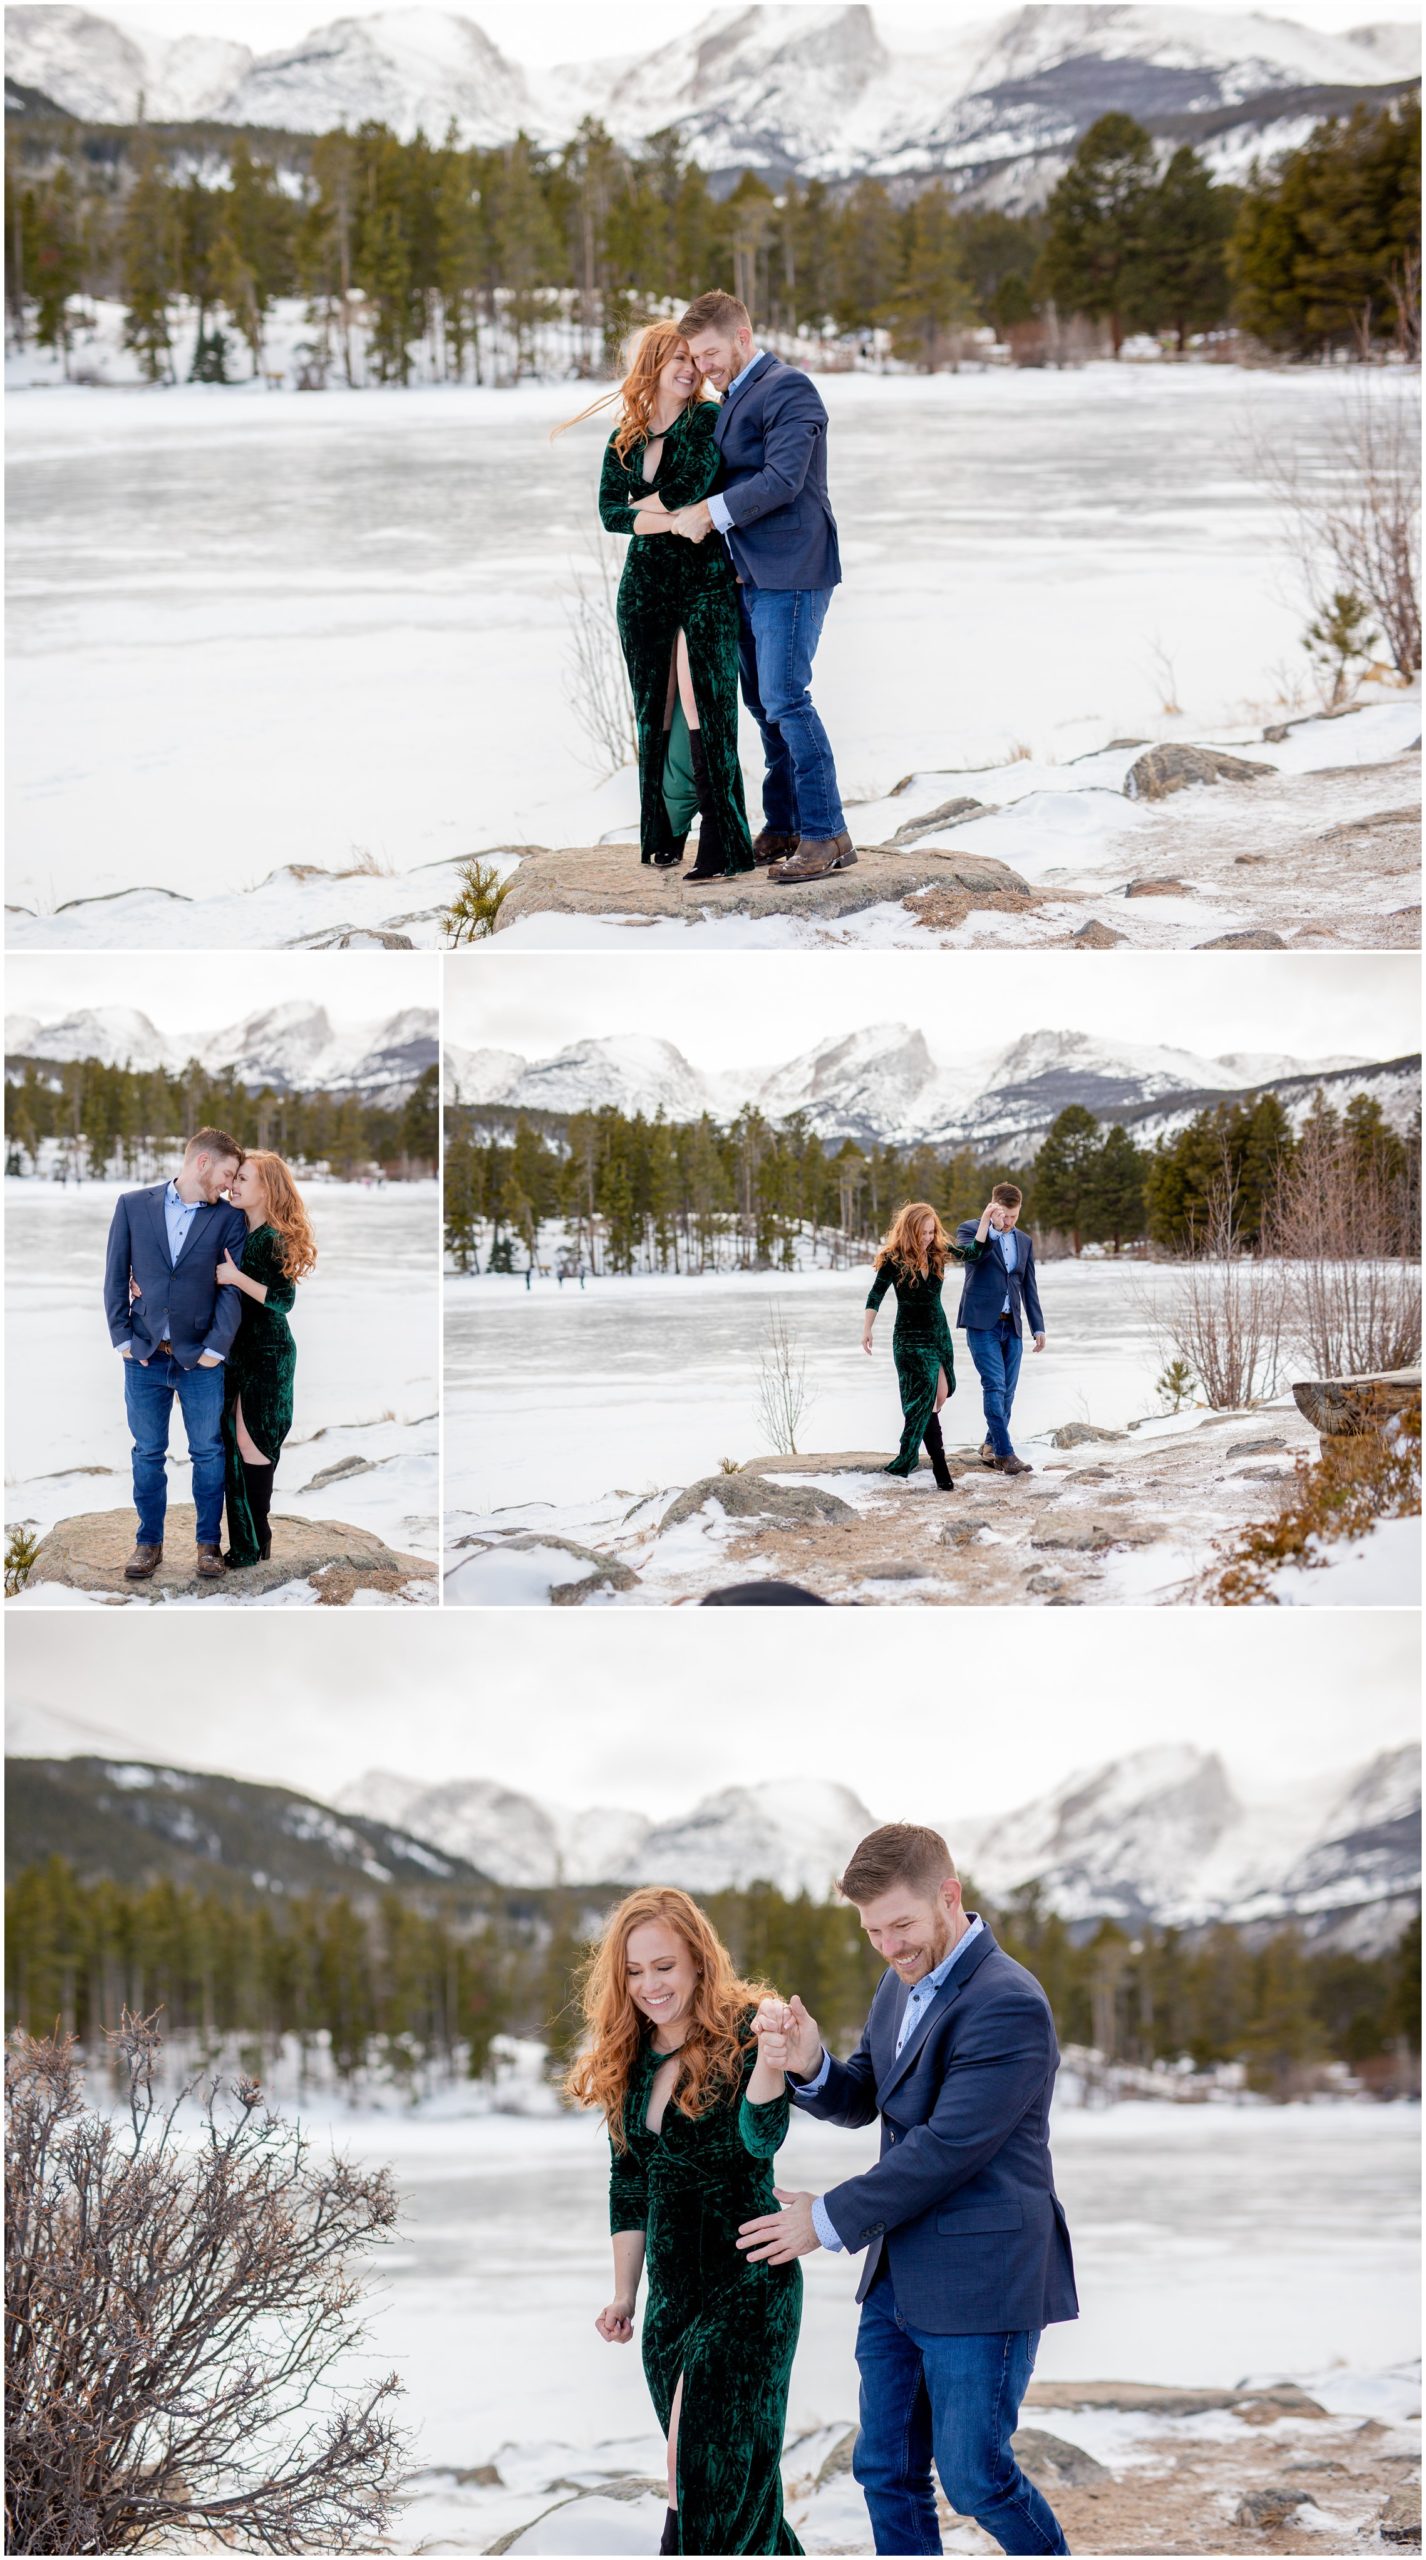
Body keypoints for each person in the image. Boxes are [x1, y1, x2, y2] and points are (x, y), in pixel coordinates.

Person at [737, 1824, 1077, 2559]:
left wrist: (823, 2220)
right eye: (873, 1931)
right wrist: (812, 2063)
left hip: (983, 2280)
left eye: (901, 1925)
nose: (889, 1946)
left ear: (948, 1897)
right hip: (897, 2275)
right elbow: (871, 2096)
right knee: (885, 2469)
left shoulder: (1008, 2002)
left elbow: (946, 2148)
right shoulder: (901, 1983)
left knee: (976, 2477)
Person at [566, 1887, 804, 2555]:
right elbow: (630, 2181)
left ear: (700, 1961)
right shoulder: (630, 2061)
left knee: (705, 2486)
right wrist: (624, 2294)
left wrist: (774, 2063)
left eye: (664, 1967)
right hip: (672, 2308)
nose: (650, 1986)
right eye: (635, 1972)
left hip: (748, 2288)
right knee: (736, 2492)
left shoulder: (749, 2030)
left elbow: (761, 2138)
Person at [669, 292, 853, 884]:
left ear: (742, 338)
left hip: (793, 569)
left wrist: (710, 512)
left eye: (711, 353)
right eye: (695, 358)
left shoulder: (789, 387)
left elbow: (782, 479)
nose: (704, 367)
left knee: (787, 699)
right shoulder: (731, 397)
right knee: (762, 705)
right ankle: (784, 824)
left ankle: (827, 836)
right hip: (747, 574)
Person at [559, 322, 753, 881]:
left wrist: (648, 509)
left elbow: (695, 485)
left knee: (706, 705)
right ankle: (664, 837)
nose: (691, 370)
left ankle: (723, 841)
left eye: (695, 359)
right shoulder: (626, 435)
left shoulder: (709, 421)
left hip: (705, 580)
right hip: (643, 589)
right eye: (678, 359)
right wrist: (665, 520)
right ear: (653, 364)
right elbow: (608, 514)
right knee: (655, 710)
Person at [103, 1128, 248, 1583]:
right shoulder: (132, 1205)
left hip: (199, 1360)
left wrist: (214, 1349)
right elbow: (114, 1275)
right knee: (147, 1453)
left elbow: (231, 1290)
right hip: (144, 1358)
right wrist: (123, 1339)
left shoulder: (228, 1219)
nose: (229, 1186)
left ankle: (208, 1545)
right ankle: (149, 1544)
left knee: (208, 1452)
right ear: (202, 1162)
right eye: (227, 1174)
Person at [215, 1151, 316, 1569]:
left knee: (252, 1443)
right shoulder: (239, 1229)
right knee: (234, 1446)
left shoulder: (272, 1237)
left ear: (266, 1188)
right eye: (234, 1177)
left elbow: (283, 1300)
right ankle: (251, 1538)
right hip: (238, 1353)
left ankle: (258, 1537)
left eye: (243, 1178)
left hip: (269, 1354)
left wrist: (238, 1277)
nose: (234, 1185)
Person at [862, 1202, 997, 1485]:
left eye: (930, 1231)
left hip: (937, 1334)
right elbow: (875, 1295)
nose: (926, 1237)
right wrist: (867, 1328)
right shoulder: (892, 1259)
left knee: (940, 1393)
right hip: (909, 1339)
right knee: (923, 1400)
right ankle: (940, 1469)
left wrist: (984, 1219)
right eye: (922, 1232)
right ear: (910, 1231)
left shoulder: (937, 1252)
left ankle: (914, 1456)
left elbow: (974, 1251)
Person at [954, 1184, 1045, 1478]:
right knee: (994, 1385)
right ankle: (1006, 1454)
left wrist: (1038, 1326)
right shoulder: (970, 1229)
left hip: (1013, 1325)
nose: (1009, 1222)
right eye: (1005, 1216)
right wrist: (990, 1228)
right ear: (993, 1206)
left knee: (1008, 1391)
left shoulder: (1024, 1241)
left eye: (1014, 1216)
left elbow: (1028, 1285)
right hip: (982, 1323)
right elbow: (972, 1259)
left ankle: (990, 1446)